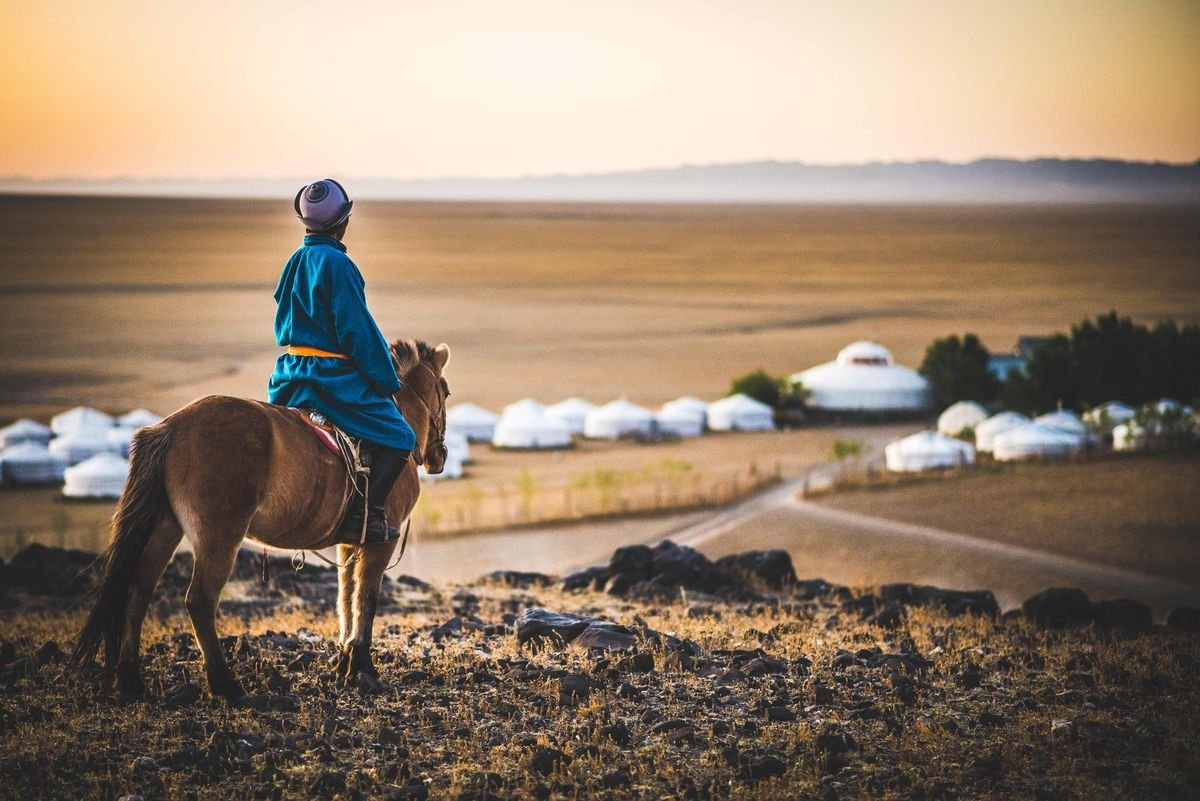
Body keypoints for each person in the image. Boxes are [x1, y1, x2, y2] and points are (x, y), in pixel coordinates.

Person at [268, 179, 413, 545]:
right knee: (401, 436)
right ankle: (365, 518)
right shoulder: (339, 264)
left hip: (289, 374)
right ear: (343, 222)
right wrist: (387, 382)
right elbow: (358, 332)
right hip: (328, 378)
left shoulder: (295, 261)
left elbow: (283, 317)